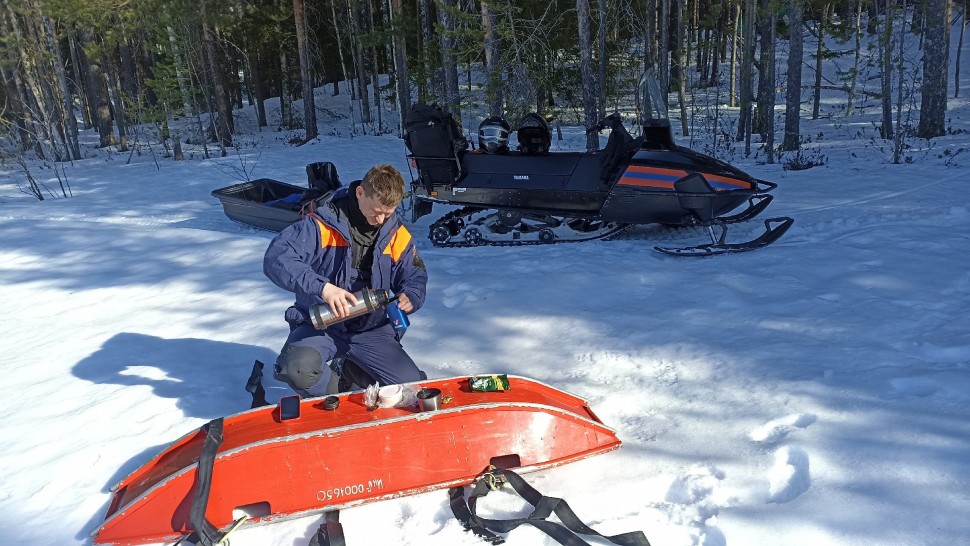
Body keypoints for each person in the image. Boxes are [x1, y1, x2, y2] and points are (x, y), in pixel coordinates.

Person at [263, 164, 428, 396]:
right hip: (322, 324)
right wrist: (323, 288)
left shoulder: (397, 234)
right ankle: (335, 394)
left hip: (371, 330)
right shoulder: (321, 225)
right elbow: (276, 258)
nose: (380, 220)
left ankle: (351, 369)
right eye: (376, 211)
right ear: (360, 192)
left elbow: (415, 274)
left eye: (388, 213)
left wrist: (411, 294)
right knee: (297, 369)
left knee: (409, 386)